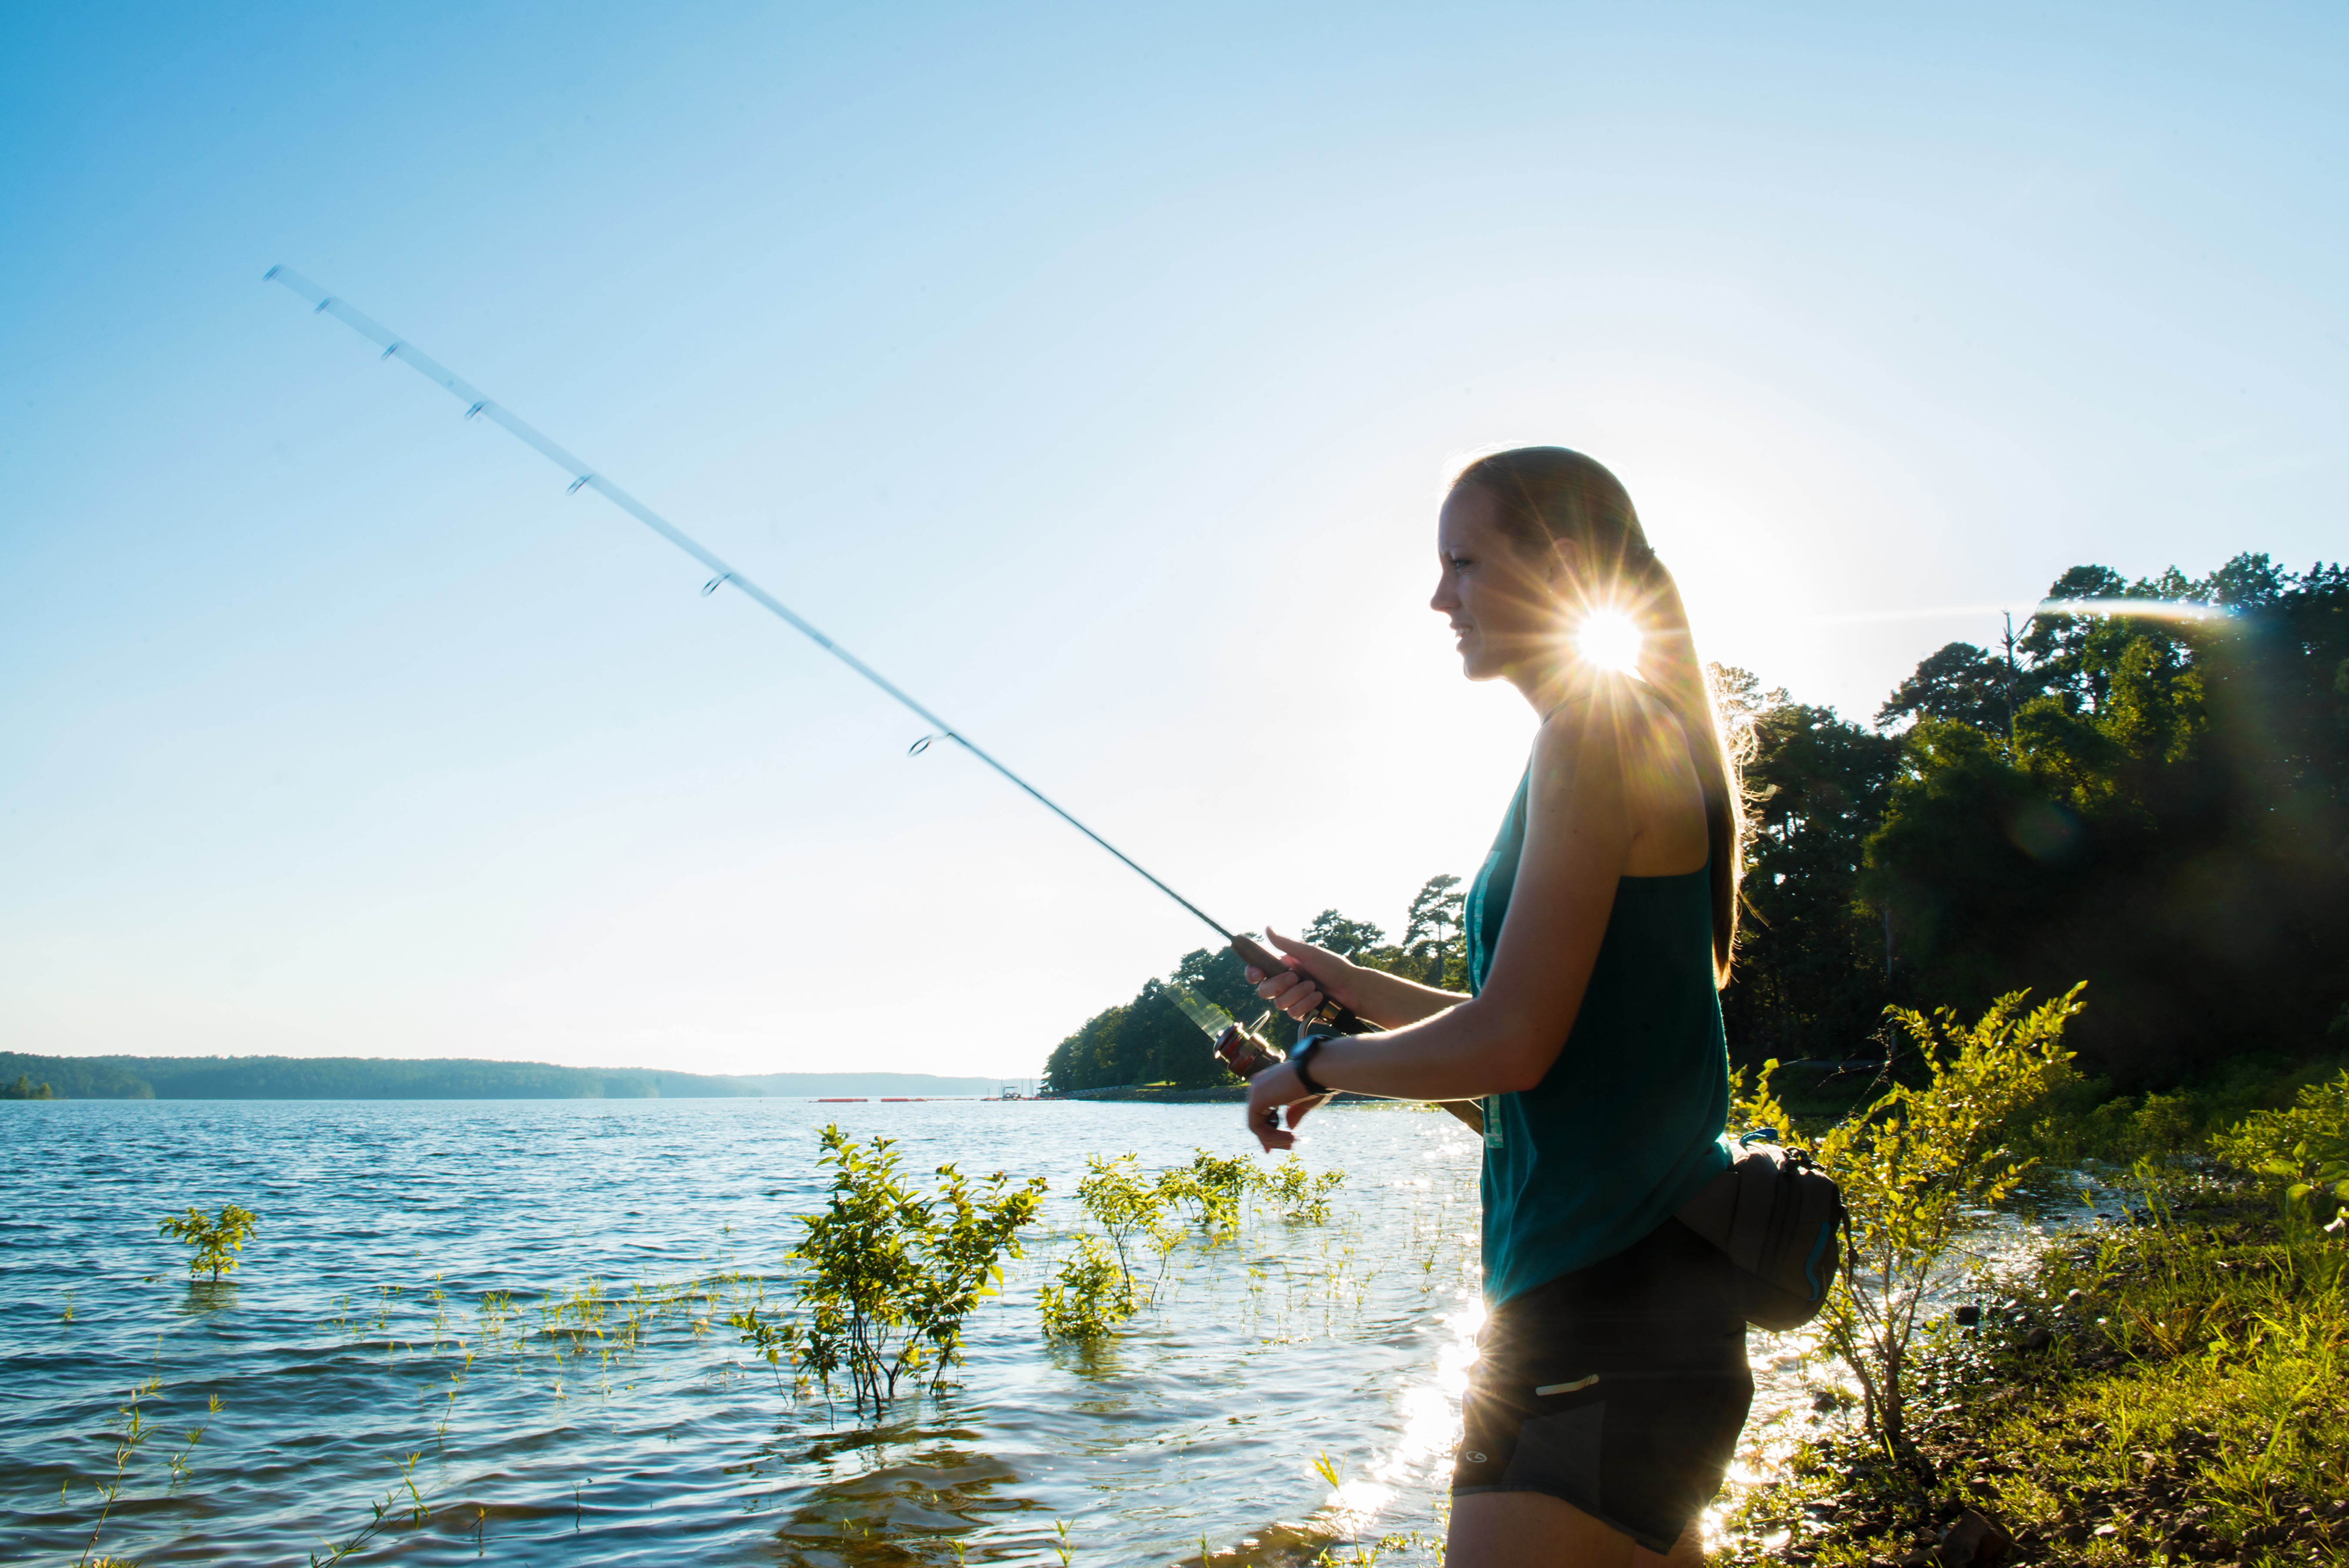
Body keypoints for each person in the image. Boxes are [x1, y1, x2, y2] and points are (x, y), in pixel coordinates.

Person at [1240, 447, 1748, 1568]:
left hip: (1599, 1301)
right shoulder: (1606, 732)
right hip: (1648, 1298)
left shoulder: (1591, 738)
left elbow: (1514, 1044)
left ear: (1558, 565)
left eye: (1462, 563)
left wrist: (1314, 1064)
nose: (1438, 598)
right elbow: (1541, 1021)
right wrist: (1356, 992)